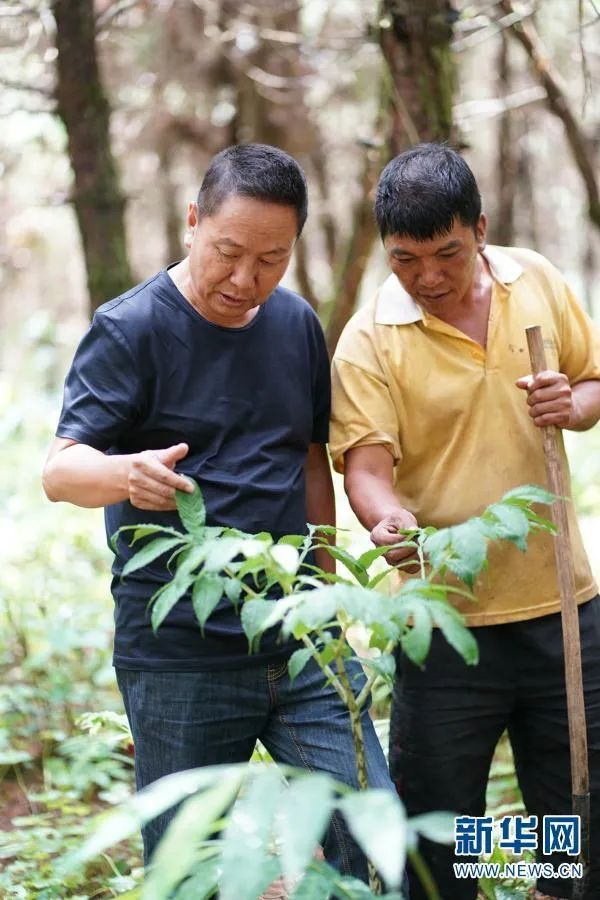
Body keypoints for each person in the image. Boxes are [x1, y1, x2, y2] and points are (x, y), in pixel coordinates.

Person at [42, 143, 394, 884]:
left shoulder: (295, 325)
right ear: (193, 222)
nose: (246, 279)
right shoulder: (130, 328)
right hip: (181, 655)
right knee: (187, 871)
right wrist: (121, 472)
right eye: (229, 252)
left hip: (301, 639)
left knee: (371, 838)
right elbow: (60, 471)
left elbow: (307, 461)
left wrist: (325, 593)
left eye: (272, 258)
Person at [329, 142, 600, 900]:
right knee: (442, 841)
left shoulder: (536, 279)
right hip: (443, 622)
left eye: (447, 252)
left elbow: (591, 381)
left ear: (480, 228)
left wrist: (569, 405)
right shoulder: (368, 338)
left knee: (569, 834)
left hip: (564, 609)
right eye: (406, 260)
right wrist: (387, 521)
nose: (429, 278)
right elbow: (367, 470)